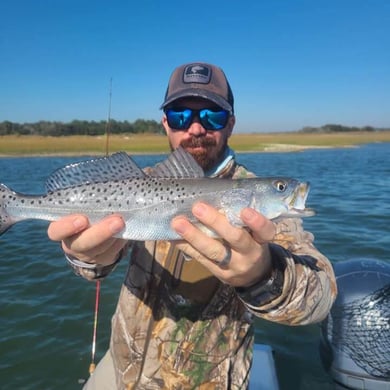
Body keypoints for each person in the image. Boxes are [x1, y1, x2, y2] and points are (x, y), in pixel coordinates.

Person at [47, 62, 337, 389]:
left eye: (212, 116)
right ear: (165, 124)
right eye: (180, 116)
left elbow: (321, 297)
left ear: (230, 124)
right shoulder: (137, 183)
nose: (196, 129)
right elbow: (93, 269)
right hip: (124, 371)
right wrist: (86, 257)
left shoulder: (263, 211)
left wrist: (263, 274)